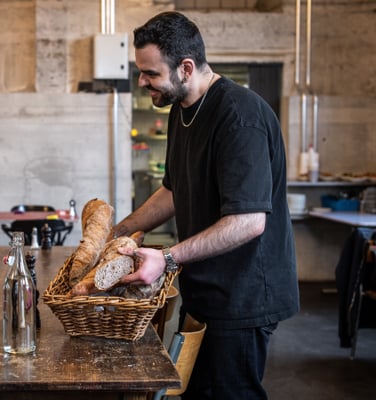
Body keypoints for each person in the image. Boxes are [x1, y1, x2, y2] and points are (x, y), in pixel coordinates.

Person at [112, 12, 299, 399]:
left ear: (185, 67)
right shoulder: (183, 111)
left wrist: (167, 258)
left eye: (150, 73)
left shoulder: (239, 116)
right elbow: (174, 190)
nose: (142, 81)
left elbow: (248, 222)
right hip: (206, 289)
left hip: (243, 296)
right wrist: (121, 230)